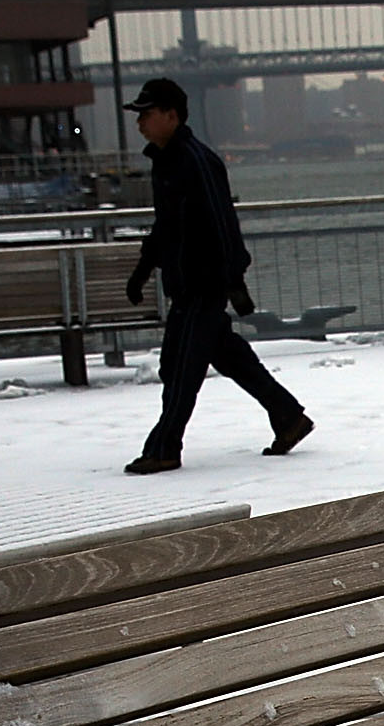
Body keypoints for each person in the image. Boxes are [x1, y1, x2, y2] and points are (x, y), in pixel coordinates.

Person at [119, 77, 312, 473]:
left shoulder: (196, 160)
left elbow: (223, 222)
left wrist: (232, 279)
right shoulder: (166, 161)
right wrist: (142, 270)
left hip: (202, 284)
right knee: (228, 356)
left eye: (146, 114)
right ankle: (288, 416)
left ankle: (164, 448)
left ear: (171, 116)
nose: (140, 123)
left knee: (180, 368)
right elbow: (165, 227)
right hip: (186, 284)